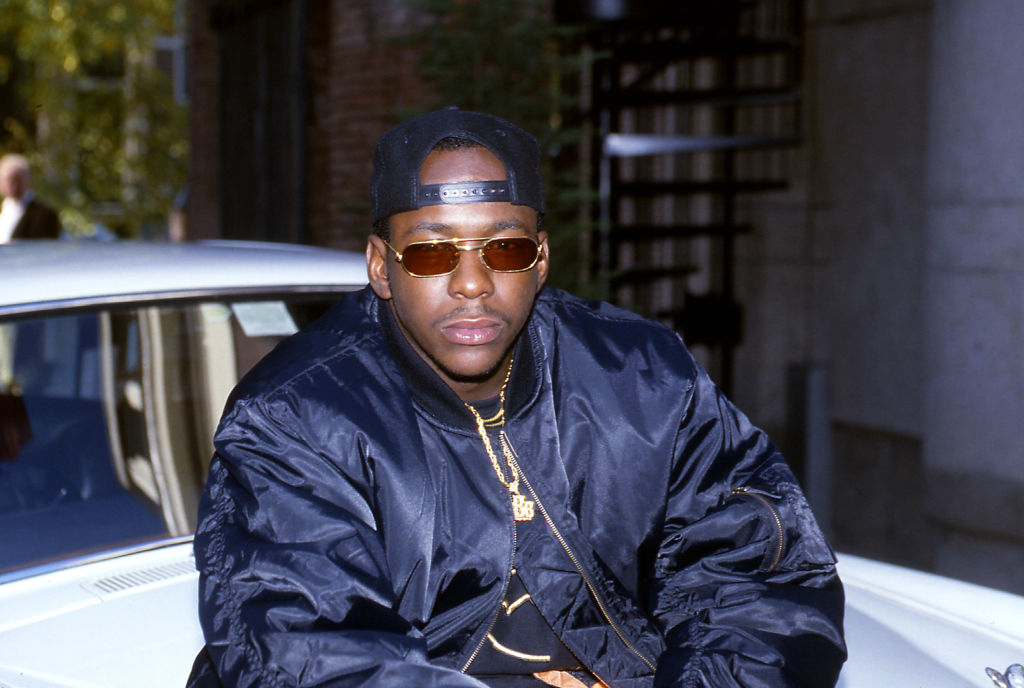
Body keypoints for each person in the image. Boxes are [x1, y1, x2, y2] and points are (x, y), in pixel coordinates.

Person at [187, 108, 846, 688]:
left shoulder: (644, 379)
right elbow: (314, 656)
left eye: (503, 248)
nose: (472, 283)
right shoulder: (294, 420)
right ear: (380, 267)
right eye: (430, 254)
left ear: (541, 259)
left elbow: (762, 583)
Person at [0, 154, 62, 243]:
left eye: (17, 179)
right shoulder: (2, 211)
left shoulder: (45, 215)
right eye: (8, 179)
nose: (12, 184)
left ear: (28, 180)